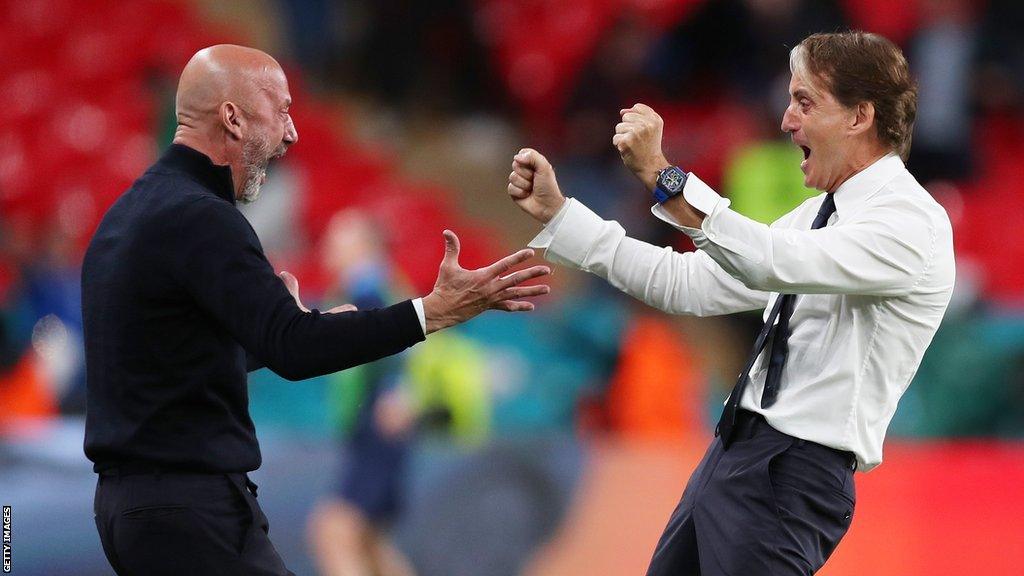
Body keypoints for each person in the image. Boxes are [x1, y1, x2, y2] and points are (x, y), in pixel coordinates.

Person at [83, 44, 550, 576]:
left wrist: (285, 333)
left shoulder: (127, 217)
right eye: (280, 109)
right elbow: (296, 349)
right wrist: (432, 312)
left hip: (131, 512)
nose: (292, 132)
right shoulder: (203, 219)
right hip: (191, 513)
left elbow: (168, 362)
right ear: (232, 118)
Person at [508, 31, 954, 575]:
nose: (787, 120)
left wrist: (665, 178)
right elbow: (688, 282)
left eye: (805, 101)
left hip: (794, 470)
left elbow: (767, 260)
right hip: (733, 456)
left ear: (860, 115)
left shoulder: (912, 223)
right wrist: (562, 216)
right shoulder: (821, 217)